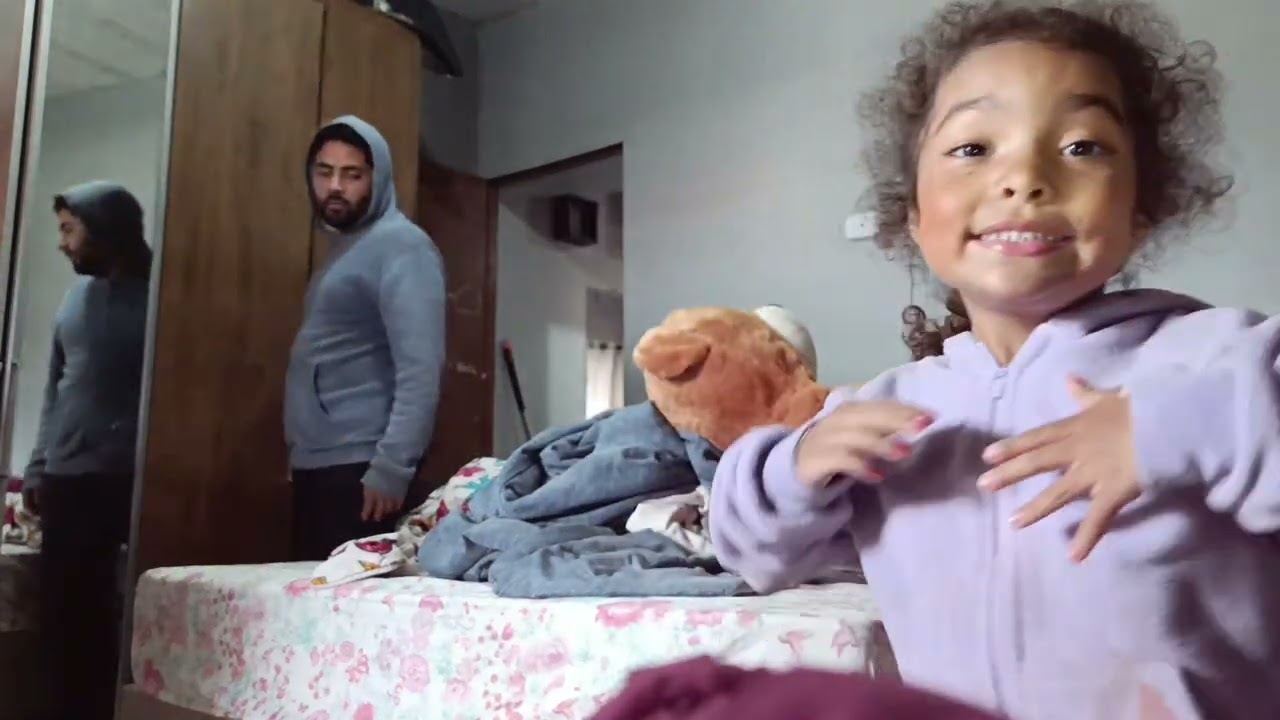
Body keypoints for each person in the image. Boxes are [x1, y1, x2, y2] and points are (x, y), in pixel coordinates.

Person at [710, 2, 1280, 718]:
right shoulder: (885, 407)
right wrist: (793, 469)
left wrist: (1169, 432)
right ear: (914, 218)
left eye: (1083, 147)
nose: (1026, 178)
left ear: (1142, 208)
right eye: (975, 148)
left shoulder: (1215, 360)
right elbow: (751, 553)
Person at [286, 115, 445, 561]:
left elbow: (420, 369)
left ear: (377, 180)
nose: (335, 186)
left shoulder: (401, 246)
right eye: (324, 172)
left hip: (360, 471)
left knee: (343, 613)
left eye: (352, 175)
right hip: (322, 464)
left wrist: (392, 468)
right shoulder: (347, 251)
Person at [25, 180, 152, 718]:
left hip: (122, 483)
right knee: (59, 616)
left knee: (107, 617)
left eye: (69, 230)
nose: (63, 243)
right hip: (65, 479)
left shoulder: (156, 300)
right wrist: (36, 465)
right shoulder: (74, 299)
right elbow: (55, 386)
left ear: (105, 231)